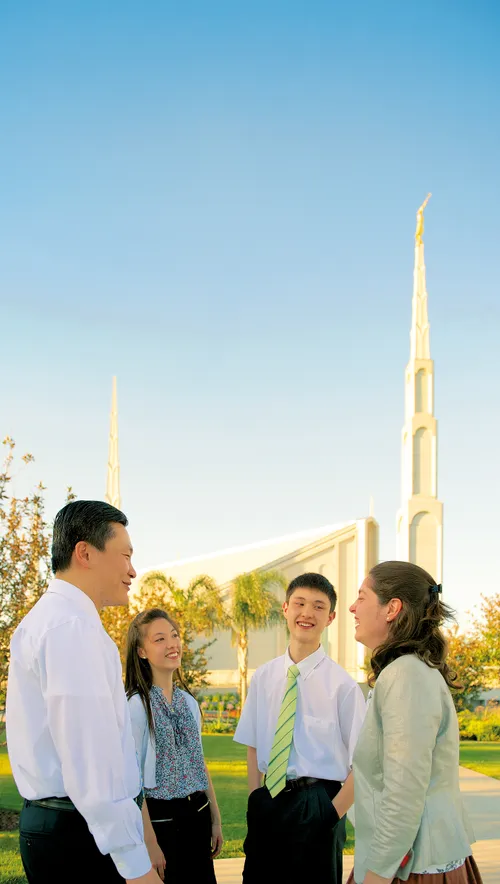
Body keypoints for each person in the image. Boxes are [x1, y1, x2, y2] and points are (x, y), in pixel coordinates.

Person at [6, 500, 161, 884]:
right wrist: (136, 867)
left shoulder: (49, 621)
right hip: (77, 837)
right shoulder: (71, 628)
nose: (132, 570)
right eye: (125, 555)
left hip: (59, 827)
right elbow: (92, 759)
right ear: (85, 552)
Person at [347, 561, 483, 884]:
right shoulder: (408, 671)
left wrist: (376, 877)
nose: (353, 607)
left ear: (392, 608)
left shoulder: (405, 675)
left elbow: (404, 794)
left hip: (411, 867)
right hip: (407, 860)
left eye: (362, 597)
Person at [234, 572, 367, 884]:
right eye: (300, 603)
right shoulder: (263, 677)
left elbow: (362, 764)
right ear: (285, 609)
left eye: (319, 607)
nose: (307, 613)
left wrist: (330, 815)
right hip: (269, 801)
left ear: (331, 617)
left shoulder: (342, 687)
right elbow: (253, 742)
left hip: (318, 803)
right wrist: (256, 797)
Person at [125, 608, 223, 884]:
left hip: (198, 816)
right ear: (142, 651)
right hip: (161, 822)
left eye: (175, 636)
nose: (172, 644)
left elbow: (199, 763)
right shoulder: (135, 706)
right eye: (159, 639)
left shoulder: (189, 703)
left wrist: (215, 818)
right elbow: (133, 782)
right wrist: (150, 842)